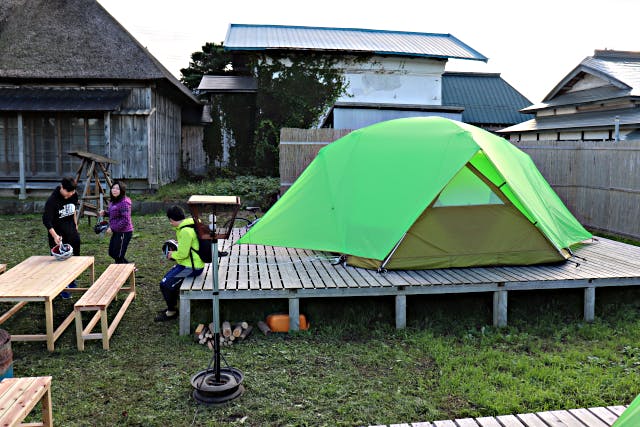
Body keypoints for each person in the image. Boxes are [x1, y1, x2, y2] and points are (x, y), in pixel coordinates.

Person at [156, 205, 204, 322]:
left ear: (172, 219)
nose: (170, 223)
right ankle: (172, 306)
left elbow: (183, 254)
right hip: (189, 263)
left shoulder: (185, 231)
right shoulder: (191, 224)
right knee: (166, 280)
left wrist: (171, 255)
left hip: (192, 267)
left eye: (170, 221)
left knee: (165, 284)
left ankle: (171, 312)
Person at [42, 176, 80, 299]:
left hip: (72, 233)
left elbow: (74, 210)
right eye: (68, 192)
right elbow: (46, 221)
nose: (70, 194)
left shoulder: (74, 195)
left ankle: (72, 281)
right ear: (62, 187)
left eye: (72, 191)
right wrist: (55, 236)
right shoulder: (52, 201)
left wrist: (75, 225)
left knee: (75, 260)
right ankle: (62, 288)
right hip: (59, 236)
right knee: (60, 264)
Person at [101, 180, 133, 264]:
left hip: (124, 232)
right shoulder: (114, 201)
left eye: (117, 189)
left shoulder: (124, 202)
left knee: (118, 255)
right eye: (113, 188)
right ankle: (130, 268)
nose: (114, 190)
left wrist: (112, 228)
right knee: (112, 253)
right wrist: (105, 213)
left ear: (121, 191)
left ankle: (123, 272)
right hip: (117, 231)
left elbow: (125, 220)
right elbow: (115, 213)